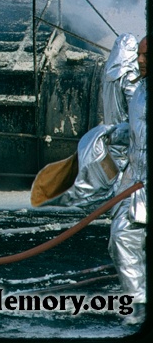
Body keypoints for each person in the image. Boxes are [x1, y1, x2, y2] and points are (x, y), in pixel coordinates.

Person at [108, 34, 146, 327]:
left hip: (144, 183)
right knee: (121, 238)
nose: (139, 61)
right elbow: (136, 133)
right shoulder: (141, 91)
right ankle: (138, 306)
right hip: (136, 183)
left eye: (146, 55)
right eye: (139, 55)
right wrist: (112, 134)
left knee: (126, 239)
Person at [102, 33, 140, 171]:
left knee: (114, 169)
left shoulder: (107, 75)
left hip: (111, 134)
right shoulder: (129, 77)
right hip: (126, 137)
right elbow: (136, 107)